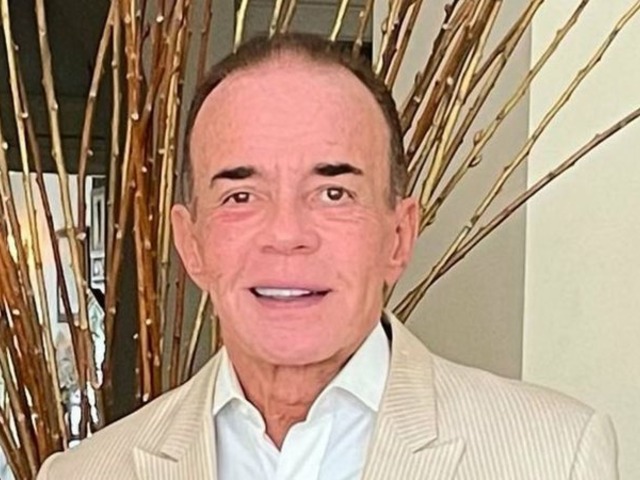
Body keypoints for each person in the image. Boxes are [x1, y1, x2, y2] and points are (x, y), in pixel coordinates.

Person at [38, 33, 617, 480]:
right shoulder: (85, 473)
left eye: (333, 193)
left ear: (398, 236)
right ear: (192, 245)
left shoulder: (555, 455)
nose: (286, 233)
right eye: (241, 196)